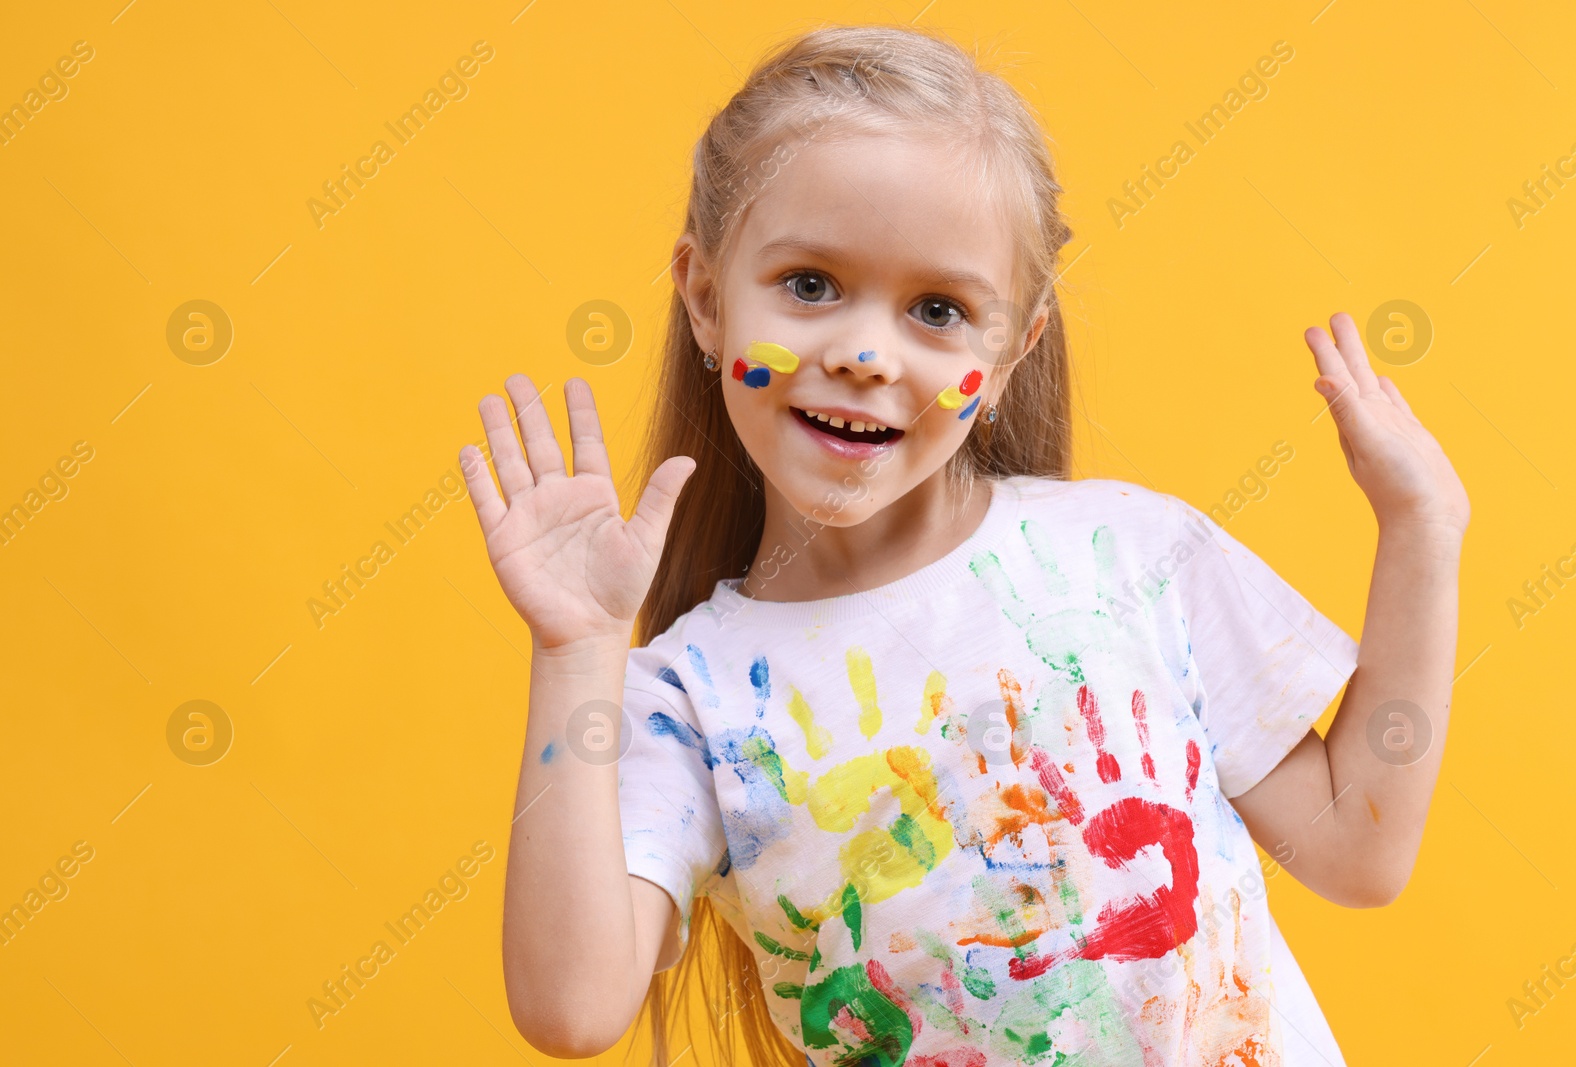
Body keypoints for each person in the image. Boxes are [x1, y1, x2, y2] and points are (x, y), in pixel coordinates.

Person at [463, 23, 1469, 1067]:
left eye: (936, 309)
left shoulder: (1129, 554)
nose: (862, 353)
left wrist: (1423, 533)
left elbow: (1358, 842)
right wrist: (576, 648)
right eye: (809, 284)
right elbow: (571, 1007)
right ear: (708, 299)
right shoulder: (691, 697)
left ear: (1011, 346)